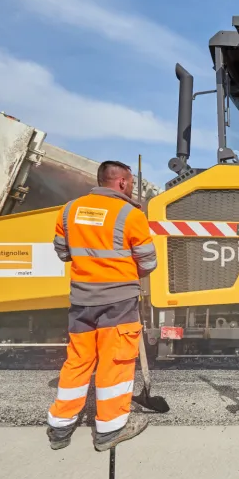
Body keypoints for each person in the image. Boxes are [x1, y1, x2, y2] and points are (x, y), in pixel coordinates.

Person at [46, 160, 157, 451]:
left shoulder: (69, 210)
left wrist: (90, 264)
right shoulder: (130, 215)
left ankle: (60, 427)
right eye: (131, 181)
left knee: (78, 360)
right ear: (121, 182)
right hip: (117, 302)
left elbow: (62, 252)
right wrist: (125, 272)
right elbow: (148, 261)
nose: (133, 186)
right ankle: (110, 429)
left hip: (81, 300)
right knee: (115, 362)